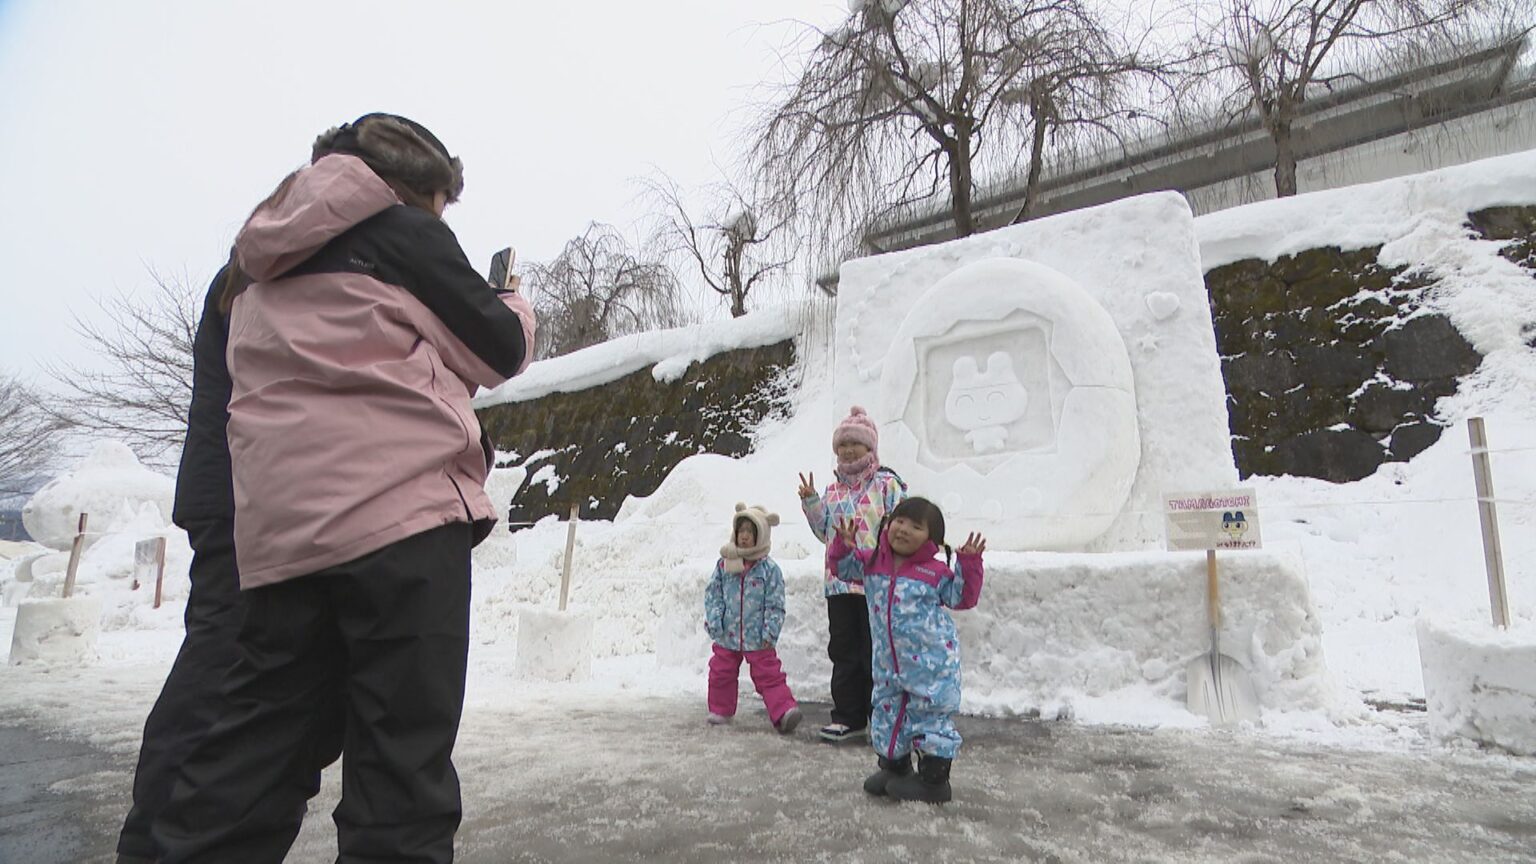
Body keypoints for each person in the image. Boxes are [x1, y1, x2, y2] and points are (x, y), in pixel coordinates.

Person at [151, 113, 537, 864]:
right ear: (417, 186)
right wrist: (515, 300)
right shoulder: (402, 233)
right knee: (399, 769)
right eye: (442, 202)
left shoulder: (253, 263)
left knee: (252, 754)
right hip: (403, 527)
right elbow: (496, 348)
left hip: (281, 541)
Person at [114, 264, 342, 864]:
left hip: (243, 499)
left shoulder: (256, 266)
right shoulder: (274, 268)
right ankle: (155, 844)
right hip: (251, 505)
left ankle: (165, 840)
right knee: (224, 681)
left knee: (254, 690)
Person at [829, 497, 985, 804]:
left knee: (929, 718)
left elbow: (962, 598)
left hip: (931, 665)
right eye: (899, 521)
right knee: (888, 711)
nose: (903, 530)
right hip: (888, 663)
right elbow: (843, 569)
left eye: (916, 526)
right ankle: (895, 769)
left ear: (932, 539)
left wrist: (969, 564)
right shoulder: (873, 563)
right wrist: (843, 546)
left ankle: (934, 782)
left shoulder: (934, 572)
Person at [797, 405, 907, 742]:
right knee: (843, 650)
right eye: (842, 445)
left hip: (876, 583)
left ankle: (881, 717)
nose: (847, 450)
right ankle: (847, 715)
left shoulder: (887, 484)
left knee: (876, 651)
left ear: (869, 447)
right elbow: (824, 534)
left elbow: (903, 528)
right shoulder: (832, 491)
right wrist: (812, 503)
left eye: (854, 444)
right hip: (839, 583)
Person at [704, 504, 802, 734]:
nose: (745, 536)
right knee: (721, 672)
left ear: (761, 536)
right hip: (728, 634)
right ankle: (720, 711)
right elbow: (713, 594)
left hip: (757, 636)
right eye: (741, 531)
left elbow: (775, 604)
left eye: (750, 531)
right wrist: (715, 619)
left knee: (768, 674)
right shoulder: (724, 564)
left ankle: (784, 711)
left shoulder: (769, 570)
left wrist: (770, 631)